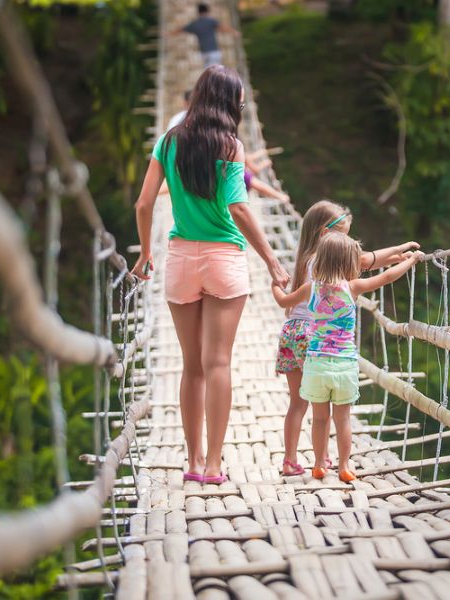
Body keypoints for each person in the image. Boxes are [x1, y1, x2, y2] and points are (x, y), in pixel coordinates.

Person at [132, 65, 290, 485]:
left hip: (180, 259)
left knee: (191, 366)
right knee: (218, 362)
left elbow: (144, 204)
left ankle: (193, 461)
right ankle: (216, 466)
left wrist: (147, 252)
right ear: (228, 102)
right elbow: (239, 208)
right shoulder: (231, 146)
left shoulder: (168, 142)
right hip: (224, 260)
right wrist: (273, 262)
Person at [273, 200, 419, 477]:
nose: (350, 241)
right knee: (333, 409)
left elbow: (369, 260)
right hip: (315, 338)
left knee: (300, 404)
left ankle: (292, 460)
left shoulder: (308, 261)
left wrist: (397, 253)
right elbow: (369, 263)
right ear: (326, 234)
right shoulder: (335, 268)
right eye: (346, 234)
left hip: (293, 330)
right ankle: (333, 461)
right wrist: (403, 254)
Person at [168, 3, 239, 68]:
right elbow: (223, 28)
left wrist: (169, 34)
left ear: (198, 12)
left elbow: (181, 29)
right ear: (207, 11)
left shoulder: (195, 24)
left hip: (204, 53)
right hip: (214, 52)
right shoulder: (211, 21)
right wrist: (234, 32)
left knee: (208, 73)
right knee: (216, 72)